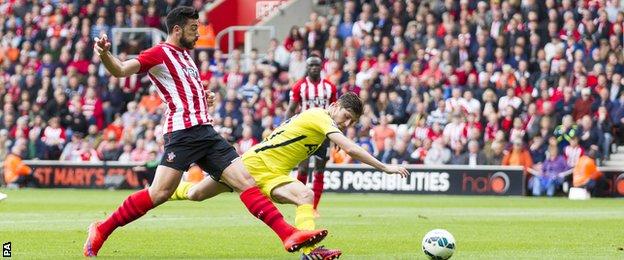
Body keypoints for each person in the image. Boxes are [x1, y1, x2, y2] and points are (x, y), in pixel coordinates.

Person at [84, 7, 327, 257]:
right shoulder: (158, 53)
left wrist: (203, 97)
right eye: (193, 29)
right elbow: (121, 69)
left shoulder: (188, 58)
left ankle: (288, 234)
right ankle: (102, 229)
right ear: (177, 30)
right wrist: (104, 54)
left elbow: (185, 89)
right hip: (183, 133)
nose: (198, 34)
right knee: (159, 193)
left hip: (206, 132)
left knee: (246, 182)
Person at [170, 93, 409, 259]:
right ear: (335, 104)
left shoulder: (321, 122)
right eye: (346, 116)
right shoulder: (320, 116)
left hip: (273, 173)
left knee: (304, 195)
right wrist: (385, 167)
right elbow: (351, 148)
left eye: (351, 122)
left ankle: (310, 252)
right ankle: (163, 191)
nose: (346, 123)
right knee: (195, 193)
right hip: (255, 164)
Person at [285, 55, 338, 217]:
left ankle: (314, 207)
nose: (314, 68)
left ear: (321, 67)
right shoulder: (299, 86)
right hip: (304, 133)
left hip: (324, 134)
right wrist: (286, 129)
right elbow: (291, 109)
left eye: (317, 65)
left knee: (320, 169)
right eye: (311, 65)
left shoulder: (330, 87)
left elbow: (335, 111)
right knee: (303, 167)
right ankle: (302, 205)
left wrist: (336, 133)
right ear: (307, 68)